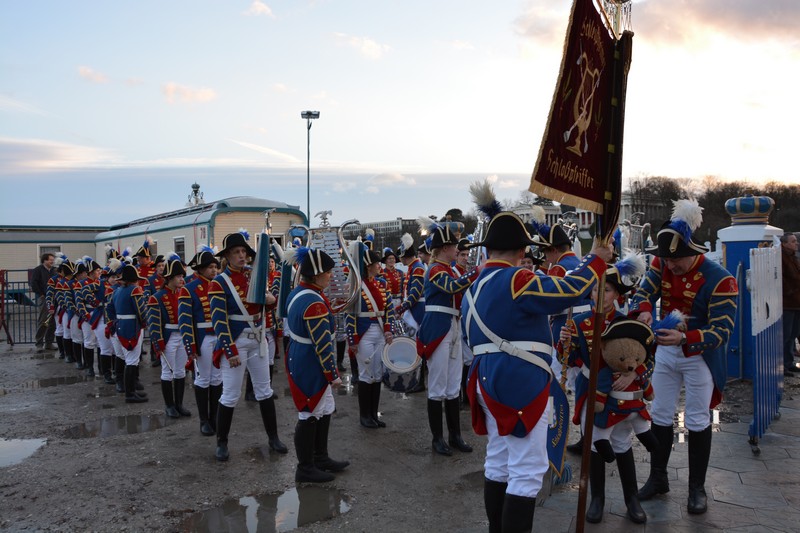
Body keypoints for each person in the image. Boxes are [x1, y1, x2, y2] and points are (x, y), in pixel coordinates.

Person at [461, 179, 613, 533]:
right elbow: (570, 289)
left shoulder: (472, 288)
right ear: (520, 251)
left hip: (485, 377)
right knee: (527, 471)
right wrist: (596, 261)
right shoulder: (517, 279)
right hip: (517, 379)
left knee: (499, 462)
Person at [631, 199, 738, 515]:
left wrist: (685, 338)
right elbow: (643, 293)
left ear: (693, 252)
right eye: (666, 259)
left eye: (676, 260)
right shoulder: (662, 263)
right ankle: (658, 478)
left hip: (699, 356)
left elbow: (722, 331)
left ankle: (696, 488)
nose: (670, 265)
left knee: (697, 418)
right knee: (661, 413)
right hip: (666, 351)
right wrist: (645, 311)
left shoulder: (720, 279)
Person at [208, 231, 287, 462]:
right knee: (230, 394)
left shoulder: (255, 275)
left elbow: (261, 306)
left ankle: (273, 438)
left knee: (265, 391)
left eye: (244, 251)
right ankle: (222, 442)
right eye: (236, 252)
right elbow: (219, 320)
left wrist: (271, 302)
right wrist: (230, 350)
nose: (242, 256)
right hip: (236, 341)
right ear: (227, 256)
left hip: (258, 338)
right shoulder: (219, 283)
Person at [284, 245, 349, 483]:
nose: (331, 276)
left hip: (301, 355)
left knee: (324, 407)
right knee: (309, 412)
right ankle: (305, 467)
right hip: (310, 361)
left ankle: (320, 457)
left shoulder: (300, 292)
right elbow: (322, 344)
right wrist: (332, 374)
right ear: (317, 274)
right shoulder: (315, 303)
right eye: (328, 272)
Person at [416, 217, 478, 456]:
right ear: (444, 249)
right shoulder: (435, 269)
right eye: (454, 247)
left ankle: (455, 435)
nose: (457, 250)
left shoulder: (449, 269)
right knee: (437, 384)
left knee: (453, 385)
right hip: (439, 326)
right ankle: (437, 438)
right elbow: (452, 287)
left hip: (453, 325)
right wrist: (477, 272)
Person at [346, 244, 394, 429]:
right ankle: (364, 415)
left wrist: (388, 329)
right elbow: (350, 314)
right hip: (364, 332)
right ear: (368, 266)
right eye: (376, 264)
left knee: (378, 373)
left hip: (380, 330)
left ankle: (374, 414)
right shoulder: (357, 285)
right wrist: (352, 339)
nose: (379, 266)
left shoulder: (382, 283)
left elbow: (388, 308)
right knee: (366, 373)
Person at [179, 246, 222, 436]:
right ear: (201, 269)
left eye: (215, 267)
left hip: (219, 336)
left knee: (217, 378)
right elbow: (185, 320)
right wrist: (190, 345)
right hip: (202, 337)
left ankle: (215, 417)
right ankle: (204, 420)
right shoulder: (189, 289)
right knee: (204, 378)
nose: (214, 270)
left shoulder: (220, 285)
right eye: (210, 267)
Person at [148, 255, 191, 418]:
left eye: (182, 276)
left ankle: (179, 404)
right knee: (167, 372)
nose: (181, 279)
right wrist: (158, 343)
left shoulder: (183, 294)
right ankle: (169, 405)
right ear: (169, 278)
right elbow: (154, 323)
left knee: (180, 371)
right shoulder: (157, 297)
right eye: (178, 276)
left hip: (182, 335)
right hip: (168, 337)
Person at [112, 264, 151, 403]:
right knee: (132, 360)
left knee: (122, 357)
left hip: (119, 326)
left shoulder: (117, 291)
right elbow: (141, 311)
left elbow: (110, 308)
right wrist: (146, 323)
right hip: (131, 327)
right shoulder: (135, 290)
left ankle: (126, 387)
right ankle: (130, 393)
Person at [780, 232, 800, 375]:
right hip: (788, 303)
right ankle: (783, 364)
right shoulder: (782, 257)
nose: (796, 243)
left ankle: (789, 361)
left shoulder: (792, 257)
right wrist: (791, 291)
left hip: (796, 302)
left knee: (793, 333)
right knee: (786, 335)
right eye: (793, 241)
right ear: (785, 243)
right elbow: (781, 279)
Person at [31, 253, 57, 352]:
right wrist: (41, 294)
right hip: (44, 298)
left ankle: (49, 343)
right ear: (44, 260)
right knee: (43, 320)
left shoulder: (54, 270)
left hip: (54, 298)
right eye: (50, 260)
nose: (52, 261)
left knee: (53, 321)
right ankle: (39, 343)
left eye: (53, 260)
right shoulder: (38, 270)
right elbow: (34, 283)